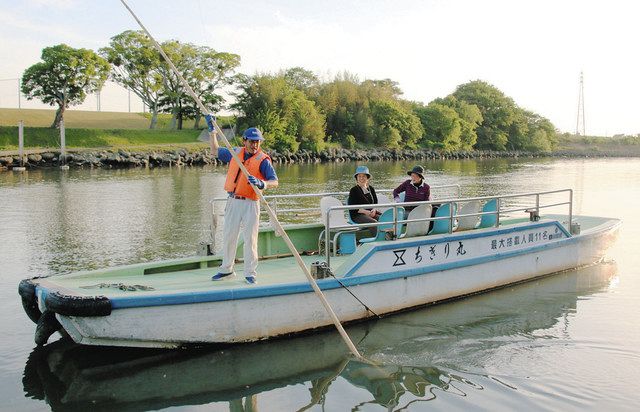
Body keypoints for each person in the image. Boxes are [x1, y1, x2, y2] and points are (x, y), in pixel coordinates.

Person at [206, 115, 278, 285]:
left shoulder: (263, 160)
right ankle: (226, 270)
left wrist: (262, 184)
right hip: (233, 201)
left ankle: (250, 273)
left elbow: (275, 181)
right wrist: (212, 131)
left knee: (250, 239)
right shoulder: (235, 153)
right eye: (252, 141)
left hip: (251, 203)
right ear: (244, 141)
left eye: (258, 142)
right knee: (229, 236)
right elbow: (214, 151)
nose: (255, 145)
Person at [348, 165, 381, 237]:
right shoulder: (354, 190)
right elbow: (352, 207)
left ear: (367, 178)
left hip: (371, 213)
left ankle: (388, 238)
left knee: (384, 219)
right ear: (356, 178)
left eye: (363, 176)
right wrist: (365, 212)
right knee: (373, 222)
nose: (361, 178)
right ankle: (378, 240)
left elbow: (375, 202)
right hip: (358, 215)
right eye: (359, 176)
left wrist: (374, 210)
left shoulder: (371, 188)